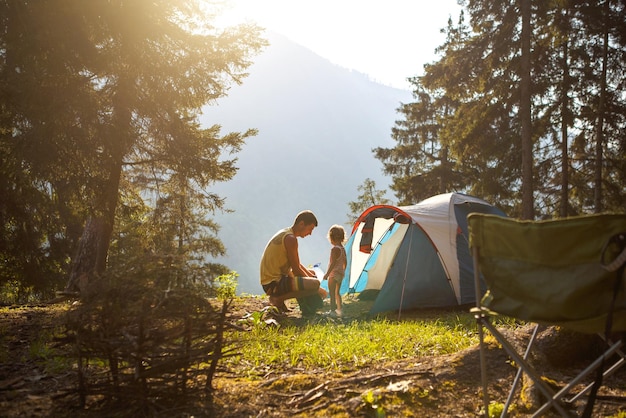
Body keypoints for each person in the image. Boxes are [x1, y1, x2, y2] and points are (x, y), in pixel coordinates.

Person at [260, 210, 325, 313]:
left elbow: (297, 264)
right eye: (310, 229)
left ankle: (282, 301)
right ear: (302, 224)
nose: (310, 233)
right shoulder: (290, 239)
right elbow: (296, 269)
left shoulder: (286, 233)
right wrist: (317, 286)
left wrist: (310, 276)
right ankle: (278, 299)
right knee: (315, 284)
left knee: (312, 274)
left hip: (270, 281)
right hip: (273, 284)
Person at [323, 224, 347, 318]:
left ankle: (332, 311)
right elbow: (345, 262)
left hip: (333, 274)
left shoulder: (334, 249)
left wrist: (327, 274)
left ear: (331, 237)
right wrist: (343, 271)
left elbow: (332, 263)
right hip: (340, 274)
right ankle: (340, 310)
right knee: (338, 293)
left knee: (332, 293)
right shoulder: (342, 249)